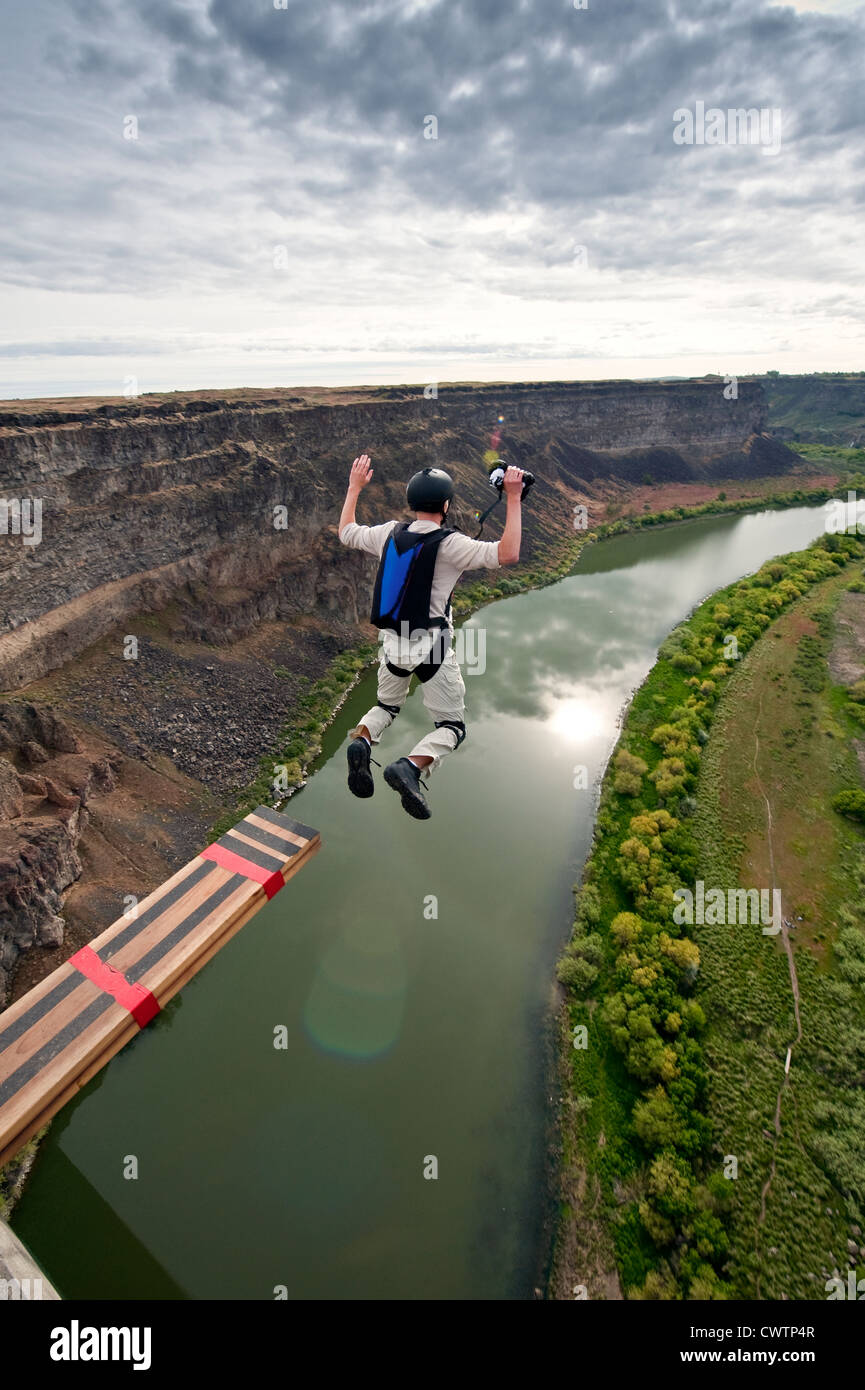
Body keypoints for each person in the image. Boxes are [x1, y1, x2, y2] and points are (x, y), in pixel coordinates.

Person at [338, 453, 525, 819]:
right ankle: (409, 767)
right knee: (452, 727)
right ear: (445, 505)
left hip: (392, 645)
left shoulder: (387, 532)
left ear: (411, 502)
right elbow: (508, 553)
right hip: (432, 650)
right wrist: (514, 498)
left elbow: (346, 531)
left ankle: (362, 740)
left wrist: (354, 487)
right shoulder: (450, 544)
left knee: (386, 707)